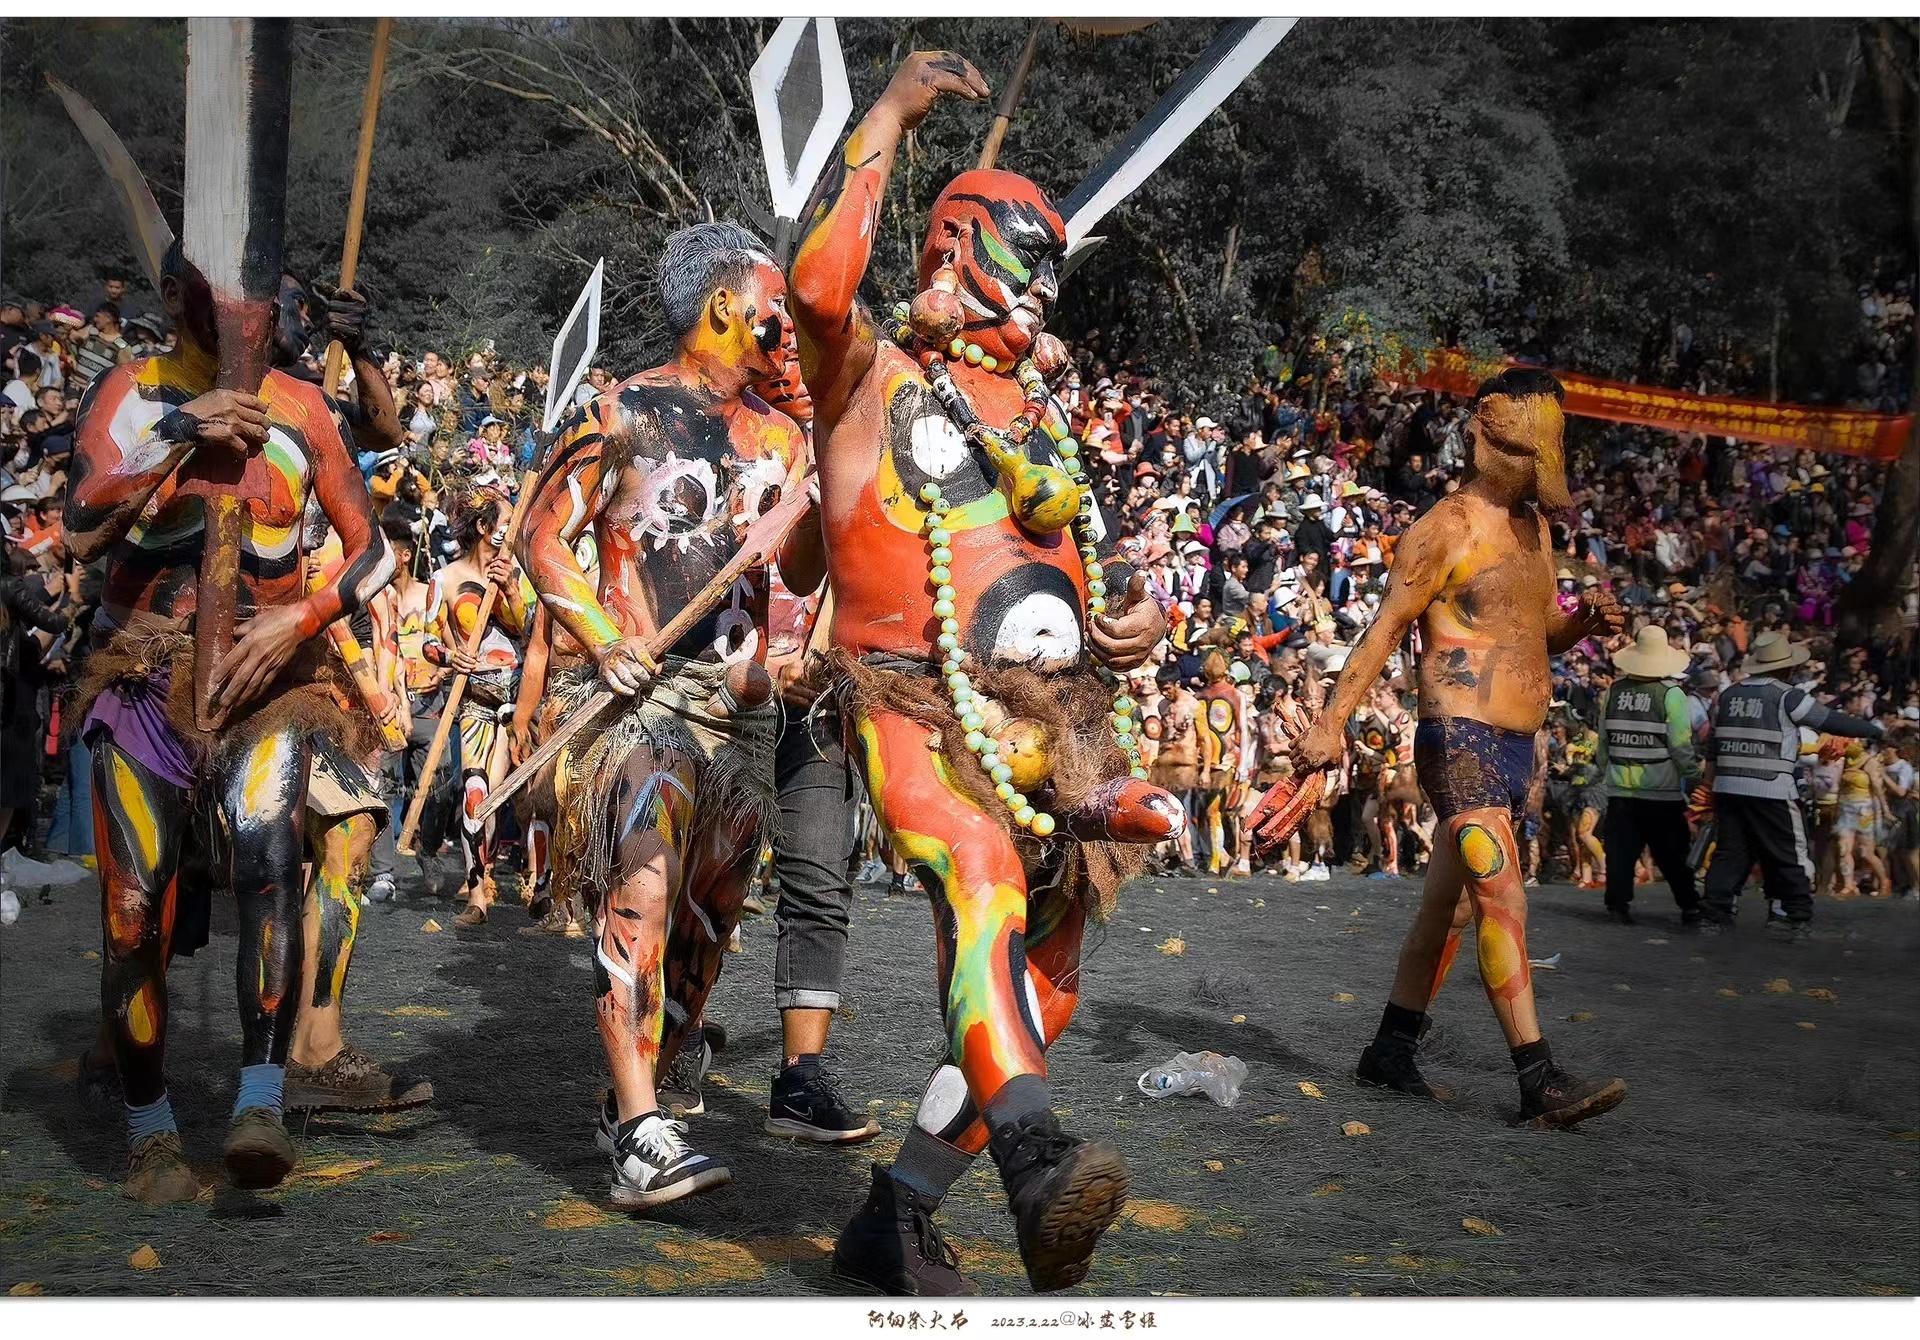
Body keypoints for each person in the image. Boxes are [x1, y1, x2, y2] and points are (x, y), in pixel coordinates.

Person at [790, 52, 1178, 1296]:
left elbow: (1046, 566)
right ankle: (1031, 1152)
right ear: (955, 250)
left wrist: (1126, 624)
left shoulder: (1033, 418)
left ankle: (895, 1210)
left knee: (1046, 980)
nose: (1041, 294)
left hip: (1057, 725)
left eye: (1052, 270)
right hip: (909, 694)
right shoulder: (864, 375)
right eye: (1025, 260)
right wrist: (892, 115)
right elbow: (818, 280)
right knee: (980, 879)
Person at [66, 244, 393, 1203]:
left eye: (269, 299)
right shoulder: (133, 394)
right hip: (143, 682)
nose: (261, 315)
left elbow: (370, 551)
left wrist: (304, 615)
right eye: (233, 297)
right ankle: (149, 1131)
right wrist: (179, 428)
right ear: (175, 298)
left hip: (268, 686)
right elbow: (79, 520)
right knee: (133, 916)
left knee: (268, 870)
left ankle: (260, 1096)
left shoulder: (300, 407)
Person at [518, 221, 815, 1209]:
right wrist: (605, 638)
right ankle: (642, 1130)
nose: (785, 318)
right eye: (772, 298)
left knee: (708, 918)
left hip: (742, 710)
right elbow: (543, 539)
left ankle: (636, 1090)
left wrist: (796, 606)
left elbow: (801, 575)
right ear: (723, 302)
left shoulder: (784, 437)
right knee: (642, 896)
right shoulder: (622, 412)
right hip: (641, 700)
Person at [1290, 368, 1629, 1127]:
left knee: (1447, 915)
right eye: (1521, 450)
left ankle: (1390, 1049)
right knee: (1503, 897)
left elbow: (1533, 640)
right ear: (1484, 427)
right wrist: (1330, 722)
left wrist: (1584, 626)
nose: (1532, 472)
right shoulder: (1444, 527)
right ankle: (1538, 1079)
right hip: (1461, 743)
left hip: (1515, 748)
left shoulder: (1536, 533)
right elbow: (1384, 629)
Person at [1700, 630, 1883, 934]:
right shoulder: (1786, 695)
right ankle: (1791, 912)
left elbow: (1713, 746)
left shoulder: (1728, 695)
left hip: (1729, 787)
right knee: (1789, 851)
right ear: (1786, 668)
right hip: (1772, 788)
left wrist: (1709, 786)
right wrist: (1872, 730)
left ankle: (1716, 911)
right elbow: (1828, 720)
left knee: (1731, 851)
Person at [422, 486, 534, 924]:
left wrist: (509, 588)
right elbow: (427, 642)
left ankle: (539, 885)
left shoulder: (517, 574)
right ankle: (476, 892)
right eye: (505, 523)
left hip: (519, 703)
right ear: (485, 528)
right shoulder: (445, 580)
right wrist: (452, 657)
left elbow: (528, 628)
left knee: (515, 797)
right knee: (475, 793)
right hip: (474, 702)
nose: (511, 531)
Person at [1595, 626, 1701, 926]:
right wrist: (1693, 776)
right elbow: (1680, 746)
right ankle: (1690, 905)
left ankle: (1618, 906)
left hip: (1619, 790)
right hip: (1661, 792)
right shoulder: (1672, 695)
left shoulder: (1614, 692)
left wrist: (1605, 770)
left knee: (1620, 853)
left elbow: (1603, 740)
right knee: (1673, 853)